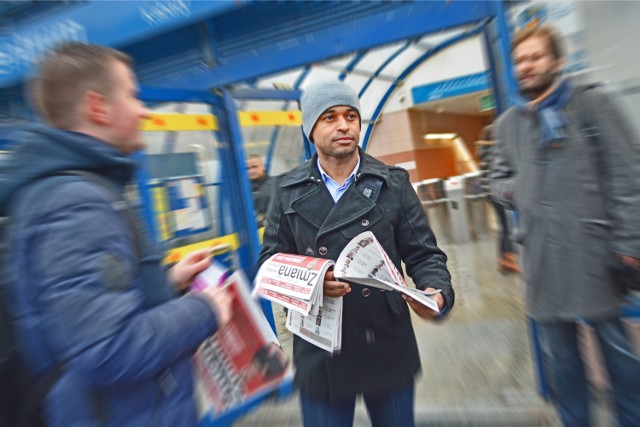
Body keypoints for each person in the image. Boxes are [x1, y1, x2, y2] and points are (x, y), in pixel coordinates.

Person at [0, 43, 234, 426]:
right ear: (98, 107)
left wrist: (166, 282)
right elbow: (108, 348)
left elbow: (81, 312)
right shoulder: (75, 203)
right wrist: (204, 310)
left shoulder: (67, 190)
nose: (143, 110)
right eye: (132, 94)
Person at [258, 80, 454, 426]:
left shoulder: (392, 183)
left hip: (385, 338)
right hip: (320, 348)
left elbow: (424, 254)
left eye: (351, 115)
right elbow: (269, 263)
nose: (344, 125)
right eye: (329, 117)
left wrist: (436, 292)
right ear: (311, 130)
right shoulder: (286, 190)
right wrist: (313, 282)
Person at [490, 24, 640, 427]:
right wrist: (516, 191)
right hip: (542, 260)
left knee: (619, 359)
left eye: (535, 57)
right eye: (520, 60)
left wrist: (630, 243)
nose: (526, 66)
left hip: (594, 252)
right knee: (563, 365)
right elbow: (497, 177)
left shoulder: (592, 105)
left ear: (557, 61)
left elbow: (628, 177)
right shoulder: (508, 125)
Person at [475, 124, 520, 273]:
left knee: (504, 225)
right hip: (497, 193)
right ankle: (507, 257)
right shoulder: (494, 152)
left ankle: (505, 258)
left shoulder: (483, 152)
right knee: (506, 226)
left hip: (490, 194)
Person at [247, 154, 274, 227]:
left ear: (263, 166)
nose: (251, 171)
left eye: (255, 167)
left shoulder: (275, 185)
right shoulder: (243, 190)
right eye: (248, 168)